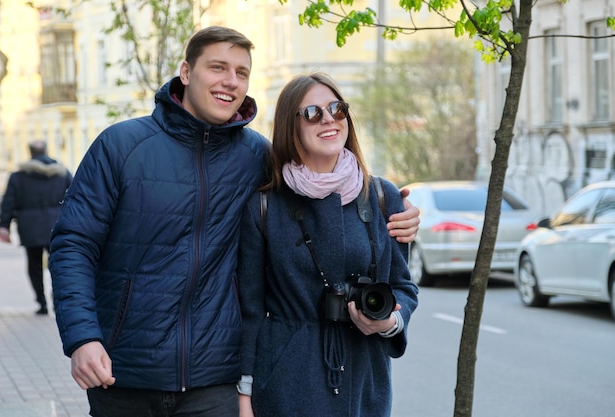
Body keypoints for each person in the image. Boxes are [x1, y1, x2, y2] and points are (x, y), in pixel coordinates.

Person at [49, 26, 420, 417]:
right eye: (218, 67)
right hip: (124, 372)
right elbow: (73, 244)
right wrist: (83, 338)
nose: (231, 81)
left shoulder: (258, 157)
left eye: (242, 72)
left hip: (215, 381)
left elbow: (324, 180)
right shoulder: (121, 145)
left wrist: (395, 215)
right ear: (186, 72)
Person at [236, 73, 419, 417]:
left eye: (337, 109)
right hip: (286, 384)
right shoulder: (265, 207)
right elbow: (251, 310)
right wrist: (245, 395)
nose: (328, 119)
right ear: (291, 127)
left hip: (365, 381)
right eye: (312, 113)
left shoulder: (382, 197)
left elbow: (403, 288)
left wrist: (390, 323)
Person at [0, 140, 72, 315]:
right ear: (47, 150)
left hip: (29, 227)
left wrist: (4, 226)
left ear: (30, 152)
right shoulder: (62, 173)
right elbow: (76, 197)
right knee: (59, 265)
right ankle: (58, 300)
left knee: (34, 266)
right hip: (57, 225)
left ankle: (42, 303)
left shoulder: (18, 176)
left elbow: (8, 202)